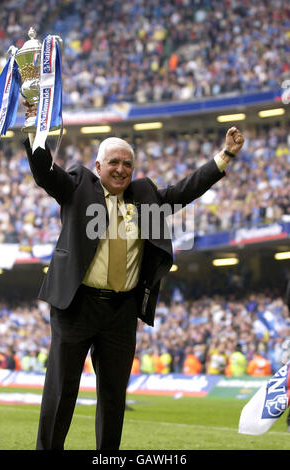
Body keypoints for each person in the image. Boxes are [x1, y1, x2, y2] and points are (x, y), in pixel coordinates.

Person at [23, 101, 244, 450]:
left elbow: (185, 190)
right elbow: (44, 172)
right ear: (98, 166)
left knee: (113, 398)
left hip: (121, 313)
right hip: (75, 307)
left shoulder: (145, 196)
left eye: (128, 164)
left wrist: (225, 157)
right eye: (114, 162)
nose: (121, 169)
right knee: (61, 393)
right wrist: (35, 125)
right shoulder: (78, 185)